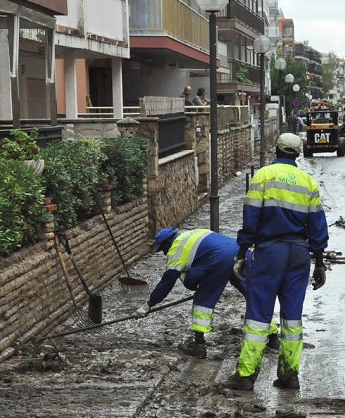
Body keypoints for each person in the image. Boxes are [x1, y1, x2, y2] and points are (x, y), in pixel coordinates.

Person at [222, 133, 329, 391]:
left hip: (270, 253)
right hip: (299, 255)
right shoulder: (308, 183)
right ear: (297, 154)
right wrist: (320, 262)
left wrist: (242, 252)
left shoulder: (262, 177)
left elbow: (251, 220)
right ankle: (290, 375)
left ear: (276, 150)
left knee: (259, 315)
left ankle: (246, 376)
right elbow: (318, 228)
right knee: (292, 318)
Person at [136, 228, 278, 358]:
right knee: (254, 295)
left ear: (168, 242)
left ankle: (199, 345)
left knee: (203, 301)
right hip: (241, 254)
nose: (164, 253)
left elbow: (166, 283)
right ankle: (273, 338)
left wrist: (148, 305)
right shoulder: (194, 232)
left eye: (163, 249)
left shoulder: (176, 249)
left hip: (218, 261)